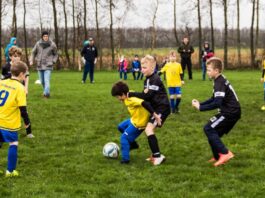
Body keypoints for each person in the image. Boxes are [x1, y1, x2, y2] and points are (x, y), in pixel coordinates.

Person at [192, 57, 241, 167]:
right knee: (213, 133)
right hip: (230, 111)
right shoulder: (218, 80)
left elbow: (217, 103)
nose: (207, 72)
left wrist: (200, 108)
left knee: (208, 128)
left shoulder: (219, 82)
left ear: (217, 71)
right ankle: (218, 156)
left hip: (230, 112)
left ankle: (225, 153)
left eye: (209, 70)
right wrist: (201, 104)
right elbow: (213, 98)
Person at [128, 55, 170, 165]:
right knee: (149, 129)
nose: (142, 70)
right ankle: (155, 154)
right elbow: (145, 98)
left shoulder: (155, 79)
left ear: (152, 68)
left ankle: (158, 156)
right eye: (142, 67)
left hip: (162, 108)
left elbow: (147, 96)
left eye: (145, 67)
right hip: (157, 108)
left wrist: (131, 94)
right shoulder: (147, 80)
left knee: (149, 129)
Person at [111, 81, 161, 164]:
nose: (118, 99)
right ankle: (133, 144)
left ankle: (125, 159)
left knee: (124, 138)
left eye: (117, 96)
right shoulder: (129, 94)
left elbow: (145, 103)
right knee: (121, 127)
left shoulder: (131, 99)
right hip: (134, 119)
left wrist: (154, 114)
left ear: (123, 94)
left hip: (139, 123)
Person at [0, 61, 32, 177]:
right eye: (25, 74)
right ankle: (10, 171)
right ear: (21, 74)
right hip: (9, 123)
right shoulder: (20, 88)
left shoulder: (2, 82)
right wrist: (27, 122)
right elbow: (23, 109)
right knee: (13, 143)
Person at [30, 31, 58, 98]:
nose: (46, 37)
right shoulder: (38, 44)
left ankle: (46, 95)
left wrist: (53, 61)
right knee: (42, 81)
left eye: (47, 36)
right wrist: (31, 60)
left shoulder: (52, 45)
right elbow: (33, 52)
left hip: (48, 65)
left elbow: (56, 54)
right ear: (42, 37)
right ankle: (46, 91)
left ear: (48, 37)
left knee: (46, 80)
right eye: (44, 36)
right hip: (39, 65)